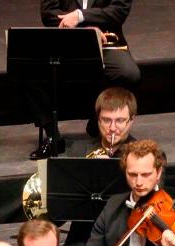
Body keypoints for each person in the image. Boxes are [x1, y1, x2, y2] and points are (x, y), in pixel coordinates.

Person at [27, 0, 140, 159]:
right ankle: (53, 136)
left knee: (128, 73)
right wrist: (82, 30)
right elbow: (48, 13)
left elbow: (119, 9)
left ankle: (99, 121)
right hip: (65, 39)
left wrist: (80, 16)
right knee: (28, 71)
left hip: (106, 39)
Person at [56, 87, 139, 246]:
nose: (112, 128)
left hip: (125, 242)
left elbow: (148, 204)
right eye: (106, 120)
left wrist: (110, 171)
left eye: (120, 121)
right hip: (83, 242)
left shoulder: (144, 155)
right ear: (98, 120)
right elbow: (61, 209)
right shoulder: (78, 151)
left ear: (131, 121)